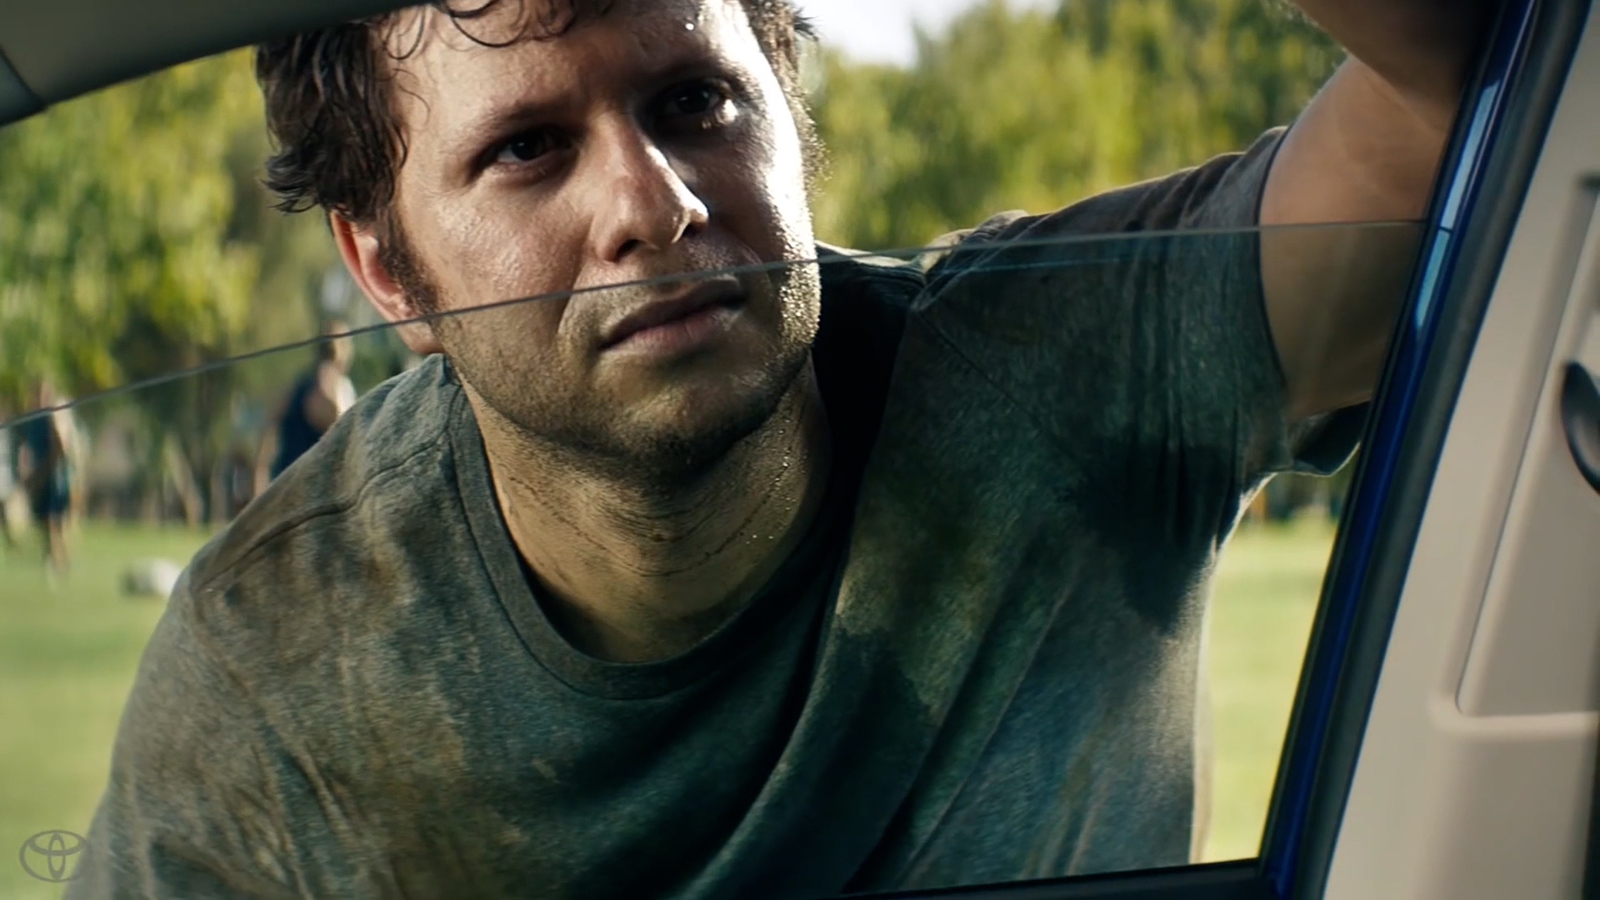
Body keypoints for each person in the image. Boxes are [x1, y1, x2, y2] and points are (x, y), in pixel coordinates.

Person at [70, 1, 1492, 897]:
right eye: (527, 151)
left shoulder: (1067, 371)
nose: (653, 201)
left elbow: (1475, 106)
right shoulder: (275, 662)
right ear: (387, 269)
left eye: (697, 100)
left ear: (794, 133)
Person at [252, 321, 358, 494]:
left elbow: (267, 432)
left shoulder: (297, 387)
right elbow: (348, 440)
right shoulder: (332, 388)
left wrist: (259, 478)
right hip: (312, 494)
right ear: (341, 349)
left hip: (286, 485)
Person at [15, 380, 73, 578]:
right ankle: (53, 561)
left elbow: (60, 447)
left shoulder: (52, 415)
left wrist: (44, 472)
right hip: (39, 473)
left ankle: (59, 565)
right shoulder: (33, 418)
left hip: (53, 476)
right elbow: (27, 447)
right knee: (44, 521)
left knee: (53, 522)